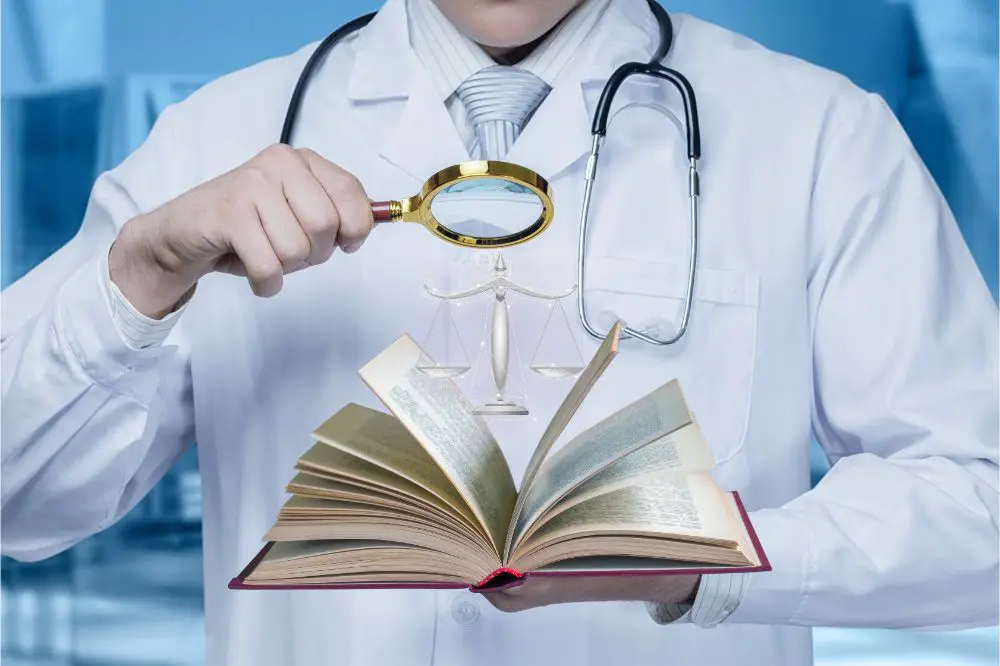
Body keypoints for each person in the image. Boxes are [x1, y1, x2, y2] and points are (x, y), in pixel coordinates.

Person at [2, 0, 997, 664]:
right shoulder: (214, 141)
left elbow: (980, 508)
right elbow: (19, 503)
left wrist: (713, 556)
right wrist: (137, 277)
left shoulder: (818, 136)